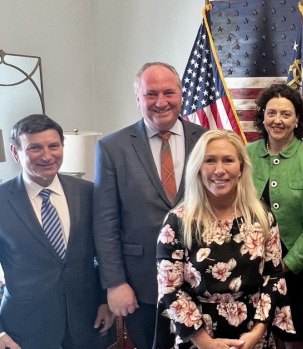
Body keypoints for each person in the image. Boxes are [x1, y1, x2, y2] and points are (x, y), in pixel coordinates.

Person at [93, 62, 206, 349]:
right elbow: (106, 222)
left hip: (201, 280)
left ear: (181, 94)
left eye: (169, 92)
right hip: (141, 283)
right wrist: (115, 283)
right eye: (151, 94)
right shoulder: (112, 147)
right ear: (138, 98)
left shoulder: (206, 140)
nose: (161, 102)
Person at [153, 130, 295, 349]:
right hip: (198, 339)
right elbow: (170, 289)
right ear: (198, 168)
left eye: (228, 160)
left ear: (241, 168)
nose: (219, 170)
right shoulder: (177, 222)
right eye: (210, 161)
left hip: (252, 338)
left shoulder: (261, 217)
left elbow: (273, 278)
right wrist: (205, 342)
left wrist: (258, 332)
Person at [0, 114, 114, 349]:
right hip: (25, 330)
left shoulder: (89, 192)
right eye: (34, 148)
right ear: (15, 151)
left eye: (54, 146)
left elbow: (105, 252)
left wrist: (105, 300)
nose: (47, 155)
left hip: (88, 324)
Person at [247, 83, 303, 348]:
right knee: (256, 333)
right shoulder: (246, 154)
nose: (278, 120)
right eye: (271, 113)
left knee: (296, 338)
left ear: (297, 119)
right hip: (251, 264)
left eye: (286, 114)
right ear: (263, 116)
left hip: (297, 266)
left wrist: (287, 263)